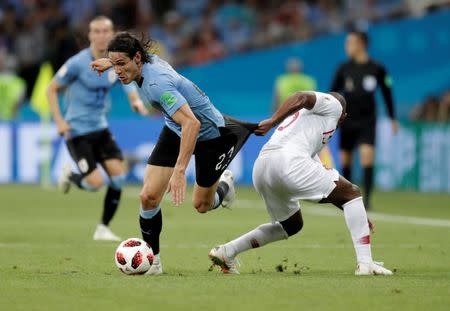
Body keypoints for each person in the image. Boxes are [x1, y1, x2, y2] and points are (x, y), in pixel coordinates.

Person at [91, 32, 257, 275]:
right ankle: (154, 262)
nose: (117, 71)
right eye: (115, 64)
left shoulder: (157, 84)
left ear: (137, 58)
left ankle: (225, 187)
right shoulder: (142, 63)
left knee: (202, 205)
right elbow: (183, 123)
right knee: (148, 197)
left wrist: (179, 171)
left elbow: (192, 124)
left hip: (211, 134)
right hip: (175, 128)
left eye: (121, 64)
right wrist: (111, 62)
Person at [209, 91, 393, 276]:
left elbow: (333, 190)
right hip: (288, 162)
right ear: (344, 117)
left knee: (292, 224)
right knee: (353, 192)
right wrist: (272, 120)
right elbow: (302, 97)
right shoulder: (335, 106)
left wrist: (355, 211)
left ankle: (227, 251)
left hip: (263, 166)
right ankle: (366, 264)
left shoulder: (309, 127)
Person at [47, 16, 147, 241]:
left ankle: (103, 228)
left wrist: (135, 100)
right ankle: (71, 175)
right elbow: (51, 89)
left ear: (112, 35)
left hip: (101, 128)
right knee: (95, 184)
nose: (101, 35)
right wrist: (60, 122)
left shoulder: (115, 61)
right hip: (78, 131)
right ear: (90, 35)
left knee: (119, 177)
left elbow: (127, 79)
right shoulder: (77, 63)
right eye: (97, 31)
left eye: (106, 31)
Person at [330, 30, 398, 209]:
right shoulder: (343, 68)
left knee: (367, 157)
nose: (347, 47)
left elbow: (387, 92)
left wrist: (392, 118)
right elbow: (332, 93)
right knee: (346, 160)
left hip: (368, 121)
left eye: (349, 43)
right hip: (347, 121)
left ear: (361, 44)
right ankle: (348, 197)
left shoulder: (377, 68)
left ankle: (366, 200)